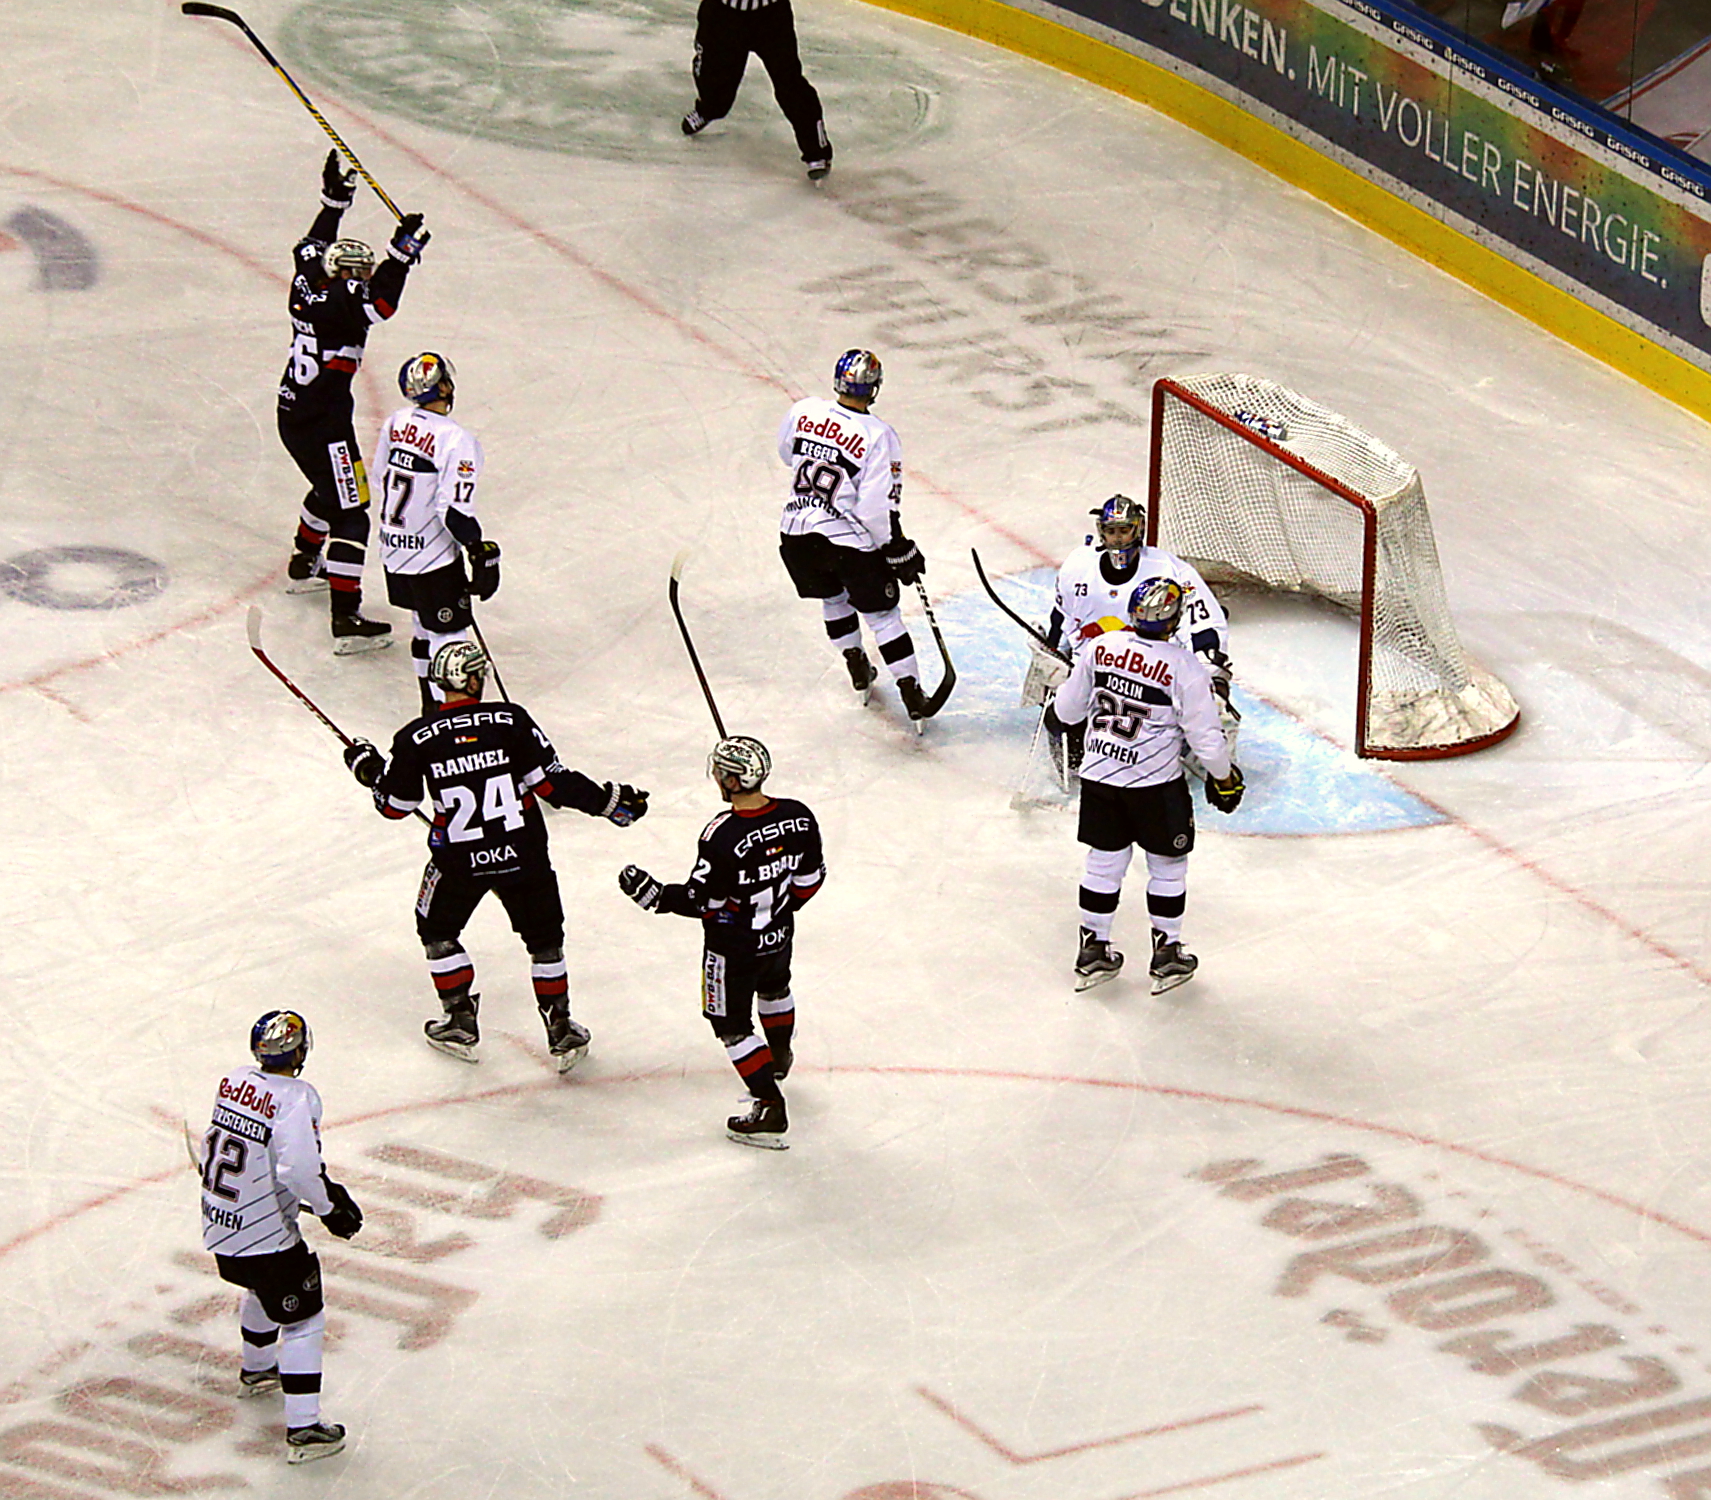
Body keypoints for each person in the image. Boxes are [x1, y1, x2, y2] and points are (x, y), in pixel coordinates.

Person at [342, 641, 647, 1069]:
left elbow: (395, 806)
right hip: (523, 854)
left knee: (437, 932)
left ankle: (459, 1020)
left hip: (459, 860)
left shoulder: (415, 737)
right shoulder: (510, 719)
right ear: (469, 680)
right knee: (545, 942)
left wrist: (369, 770)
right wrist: (611, 803)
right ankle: (560, 1028)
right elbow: (552, 784)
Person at [617, 736, 824, 1148]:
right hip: (779, 934)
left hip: (732, 948)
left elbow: (701, 900)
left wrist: (656, 895)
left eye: (718, 771)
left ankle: (769, 1104)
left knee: (729, 1024)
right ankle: (778, 1057)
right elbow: (810, 880)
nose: (714, 776)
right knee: (775, 986)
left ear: (731, 779)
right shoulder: (799, 816)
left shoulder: (722, 834)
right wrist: (775, 914)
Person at [1046, 578, 1245, 994]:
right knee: (1168, 868)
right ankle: (1167, 954)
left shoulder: (1101, 647)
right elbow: (1206, 739)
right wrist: (1224, 777)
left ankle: (1092, 949)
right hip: (1155, 786)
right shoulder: (1184, 666)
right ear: (1175, 620)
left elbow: (1065, 710)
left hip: (1100, 776)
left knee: (1103, 862)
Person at [277, 149, 430, 654]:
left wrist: (334, 201)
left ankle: (304, 562)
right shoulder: (345, 303)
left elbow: (312, 243)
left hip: (293, 411)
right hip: (324, 421)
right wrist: (400, 256)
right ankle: (345, 616)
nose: (365, 277)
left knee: (330, 487)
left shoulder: (306, 280)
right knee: (354, 511)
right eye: (359, 272)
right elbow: (381, 303)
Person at [200, 1009, 362, 1464]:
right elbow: (297, 1169)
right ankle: (305, 1429)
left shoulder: (232, 1081)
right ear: (300, 1050)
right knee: (304, 1320)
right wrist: (329, 1208)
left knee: (261, 1289)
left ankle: (257, 1372)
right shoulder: (297, 1097)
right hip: (263, 1235)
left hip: (220, 1221)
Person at [1027, 494, 1236, 779]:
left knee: (1170, 736)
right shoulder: (1078, 566)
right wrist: (1053, 657)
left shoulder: (1169, 571)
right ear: (1101, 532)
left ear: (1138, 529)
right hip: (1092, 670)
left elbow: (1203, 624)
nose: (1118, 539)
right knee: (1064, 732)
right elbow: (1060, 619)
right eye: (1111, 531)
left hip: (1150, 673)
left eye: (1124, 530)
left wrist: (1212, 677)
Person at [778, 349, 929, 720]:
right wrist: (896, 548)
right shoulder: (878, 435)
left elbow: (786, 453)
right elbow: (875, 508)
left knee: (833, 597)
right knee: (882, 615)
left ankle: (856, 664)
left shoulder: (804, 411)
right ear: (874, 388)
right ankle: (911, 693)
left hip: (795, 532)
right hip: (845, 540)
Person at [373, 352, 502, 712]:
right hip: (432, 556)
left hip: (394, 550)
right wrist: (478, 549)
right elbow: (454, 510)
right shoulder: (455, 439)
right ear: (442, 387)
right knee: (450, 638)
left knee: (421, 625)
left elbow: (379, 477)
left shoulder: (395, 422)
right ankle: (453, 716)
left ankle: (430, 707)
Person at [680, 0, 832, 181]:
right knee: (713, 79)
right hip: (721, 14)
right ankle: (708, 109)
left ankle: (817, 151)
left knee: (789, 83)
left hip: (770, 16)